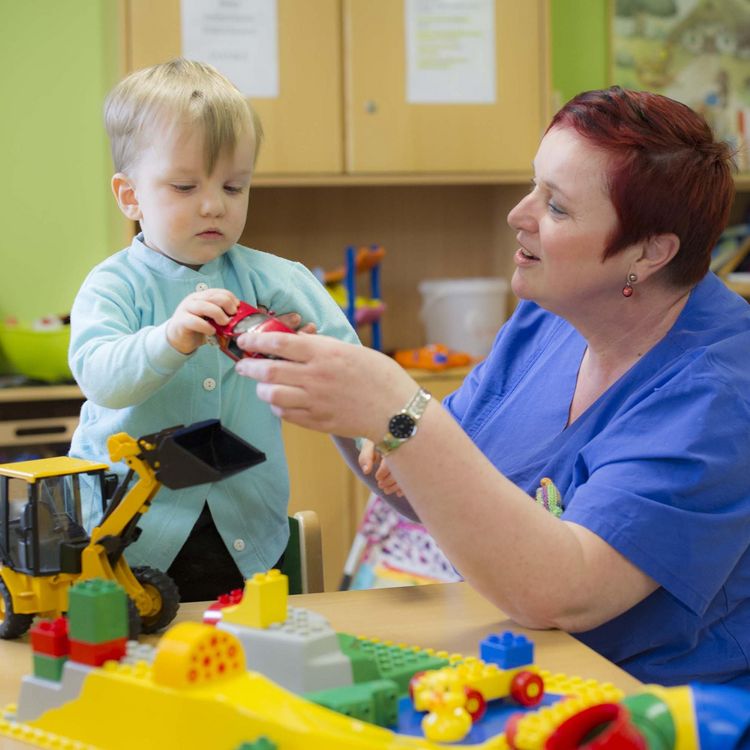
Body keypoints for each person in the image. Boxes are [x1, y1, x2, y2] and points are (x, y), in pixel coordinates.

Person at [233, 86, 750, 688]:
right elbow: (434, 492)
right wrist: (345, 394)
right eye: (534, 186)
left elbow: (564, 591)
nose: (518, 215)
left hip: (656, 703)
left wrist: (400, 415)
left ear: (650, 251)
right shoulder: (551, 315)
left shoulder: (717, 394)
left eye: (556, 207)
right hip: (524, 660)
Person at [68, 58, 358, 602]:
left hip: (243, 529)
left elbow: (348, 362)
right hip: (129, 533)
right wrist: (168, 339)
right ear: (130, 196)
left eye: (233, 186)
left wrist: (374, 442)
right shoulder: (113, 286)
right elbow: (102, 378)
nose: (213, 205)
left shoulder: (274, 280)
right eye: (184, 186)